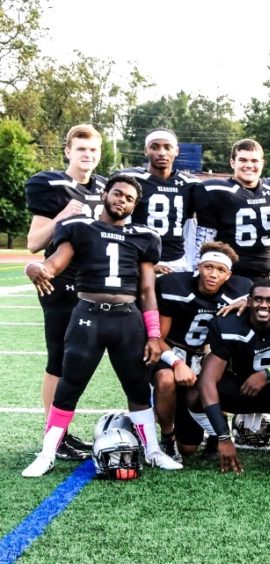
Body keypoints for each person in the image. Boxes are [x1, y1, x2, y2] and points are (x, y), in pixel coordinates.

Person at [22, 174, 183, 477]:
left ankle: (152, 450)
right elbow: (54, 264)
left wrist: (153, 335)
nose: (121, 200)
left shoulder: (144, 237)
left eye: (128, 198)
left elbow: (148, 291)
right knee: (69, 386)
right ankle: (47, 452)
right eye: (117, 193)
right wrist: (35, 267)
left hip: (127, 319)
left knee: (137, 387)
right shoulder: (80, 228)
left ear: (135, 205)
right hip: (88, 316)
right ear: (105, 194)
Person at [24, 124, 107, 461]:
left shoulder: (104, 187)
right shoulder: (51, 184)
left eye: (93, 150)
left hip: (93, 283)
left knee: (81, 361)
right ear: (68, 151)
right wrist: (61, 216)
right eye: (81, 149)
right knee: (59, 359)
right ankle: (53, 435)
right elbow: (33, 244)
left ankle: (61, 432)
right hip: (59, 283)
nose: (87, 156)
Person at [191, 279, 270, 472]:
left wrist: (267, 374)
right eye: (258, 299)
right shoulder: (228, 323)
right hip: (240, 388)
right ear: (248, 301)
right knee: (194, 394)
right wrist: (223, 437)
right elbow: (207, 380)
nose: (263, 305)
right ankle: (215, 436)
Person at [153, 241, 251, 460]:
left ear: (228, 275)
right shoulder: (174, 286)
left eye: (220, 270)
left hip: (206, 356)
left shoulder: (240, 290)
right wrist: (177, 363)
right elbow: (157, 339)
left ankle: (216, 434)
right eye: (208, 267)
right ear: (198, 266)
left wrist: (246, 300)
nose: (213, 274)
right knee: (166, 379)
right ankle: (167, 437)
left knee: (188, 448)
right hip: (172, 351)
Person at [193, 139, 270, 278]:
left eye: (254, 161)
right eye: (243, 160)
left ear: (262, 163)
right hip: (229, 274)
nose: (249, 165)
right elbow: (205, 239)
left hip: (266, 273)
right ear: (233, 162)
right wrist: (199, 274)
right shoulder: (215, 190)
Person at [117, 128, 201, 273]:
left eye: (167, 147)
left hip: (177, 261)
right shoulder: (130, 179)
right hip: (139, 259)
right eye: (155, 147)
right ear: (146, 150)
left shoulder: (191, 184)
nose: (162, 152)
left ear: (177, 151)